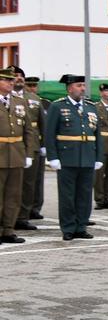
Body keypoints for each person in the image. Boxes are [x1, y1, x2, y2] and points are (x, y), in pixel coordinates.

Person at [44, 74, 104, 241]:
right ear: (70, 88)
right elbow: (49, 134)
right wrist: (53, 157)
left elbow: (97, 134)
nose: (83, 89)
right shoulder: (58, 106)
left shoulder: (91, 107)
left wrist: (98, 156)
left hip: (87, 156)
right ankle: (68, 227)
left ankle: (81, 226)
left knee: (84, 195)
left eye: (83, 85)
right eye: (79, 85)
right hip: (67, 158)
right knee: (67, 196)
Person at [0, 67, 37, 244]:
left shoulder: (19, 102)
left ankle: (8, 230)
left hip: (16, 154)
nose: (10, 83)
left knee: (13, 195)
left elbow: (29, 130)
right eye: (6, 80)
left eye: (11, 80)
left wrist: (29, 153)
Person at [13, 70, 46, 225]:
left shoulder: (33, 98)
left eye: (21, 76)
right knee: (10, 185)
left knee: (29, 183)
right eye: (15, 76)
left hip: (31, 145)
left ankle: (23, 217)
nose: (19, 78)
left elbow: (42, 123)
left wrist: (44, 144)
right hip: (10, 145)